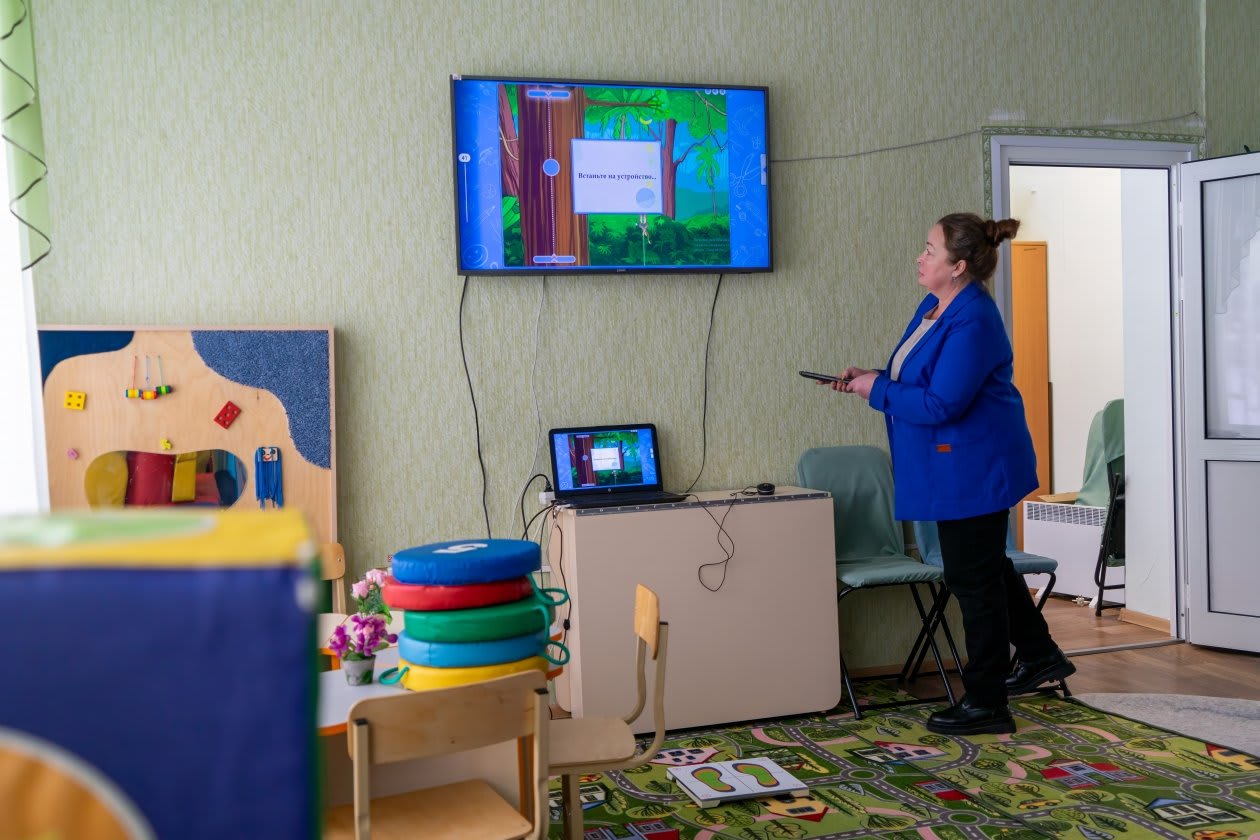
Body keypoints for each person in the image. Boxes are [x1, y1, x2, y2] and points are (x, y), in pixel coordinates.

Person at [829, 212, 1075, 736]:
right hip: (952, 465)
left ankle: (987, 702)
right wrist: (873, 377)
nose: (920, 258)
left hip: (975, 467)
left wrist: (877, 391)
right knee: (984, 568)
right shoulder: (935, 307)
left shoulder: (974, 319)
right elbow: (926, 378)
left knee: (973, 581)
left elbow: (943, 402)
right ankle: (1040, 654)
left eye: (930, 250)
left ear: (959, 266)